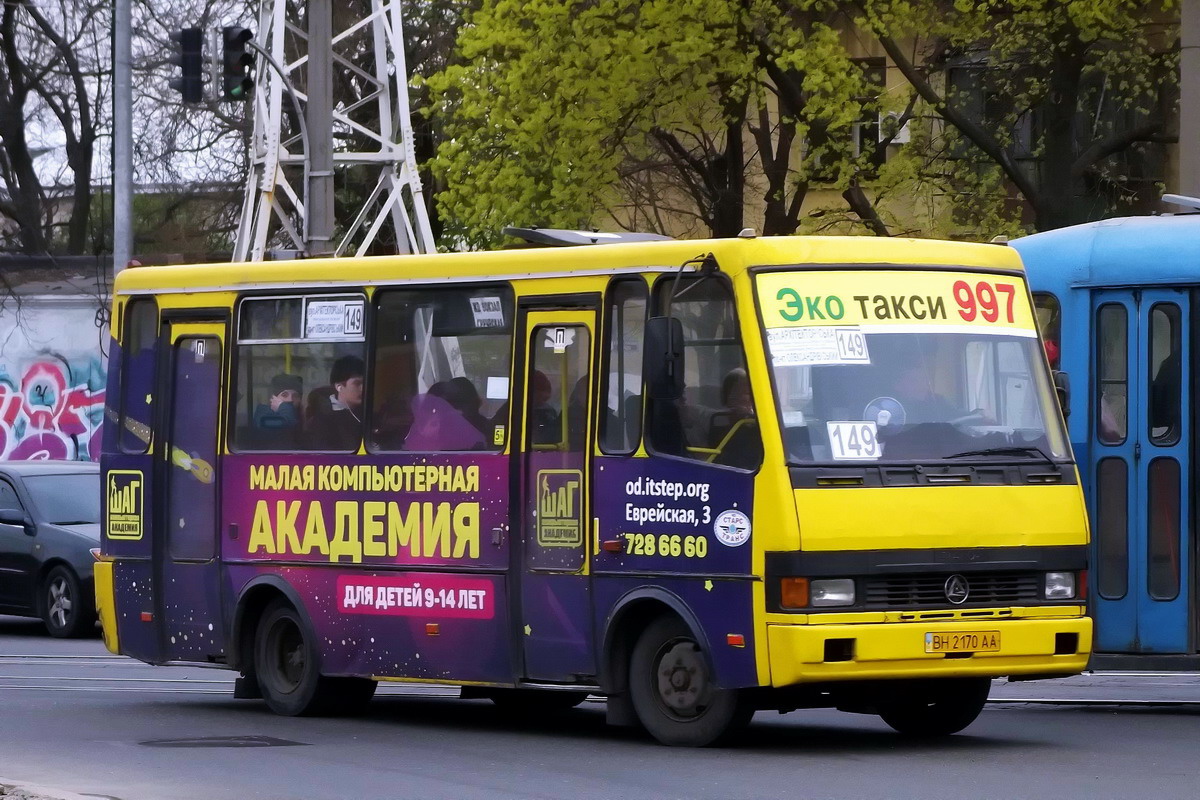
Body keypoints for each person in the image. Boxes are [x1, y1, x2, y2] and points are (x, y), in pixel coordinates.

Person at [310, 355, 364, 450]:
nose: (363, 389)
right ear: (339, 386)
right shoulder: (323, 416)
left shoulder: (365, 412)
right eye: (357, 384)